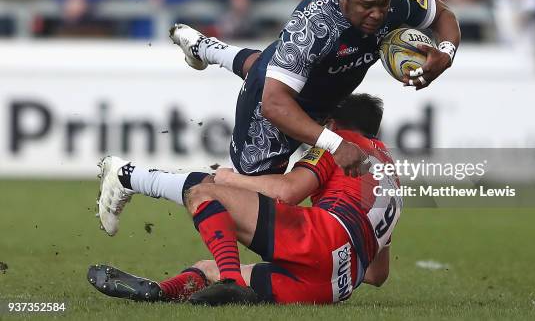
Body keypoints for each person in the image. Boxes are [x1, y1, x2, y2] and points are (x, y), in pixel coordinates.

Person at [97, 0, 459, 237]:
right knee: (250, 201)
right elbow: (273, 103)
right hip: (272, 111)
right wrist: (335, 144)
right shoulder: (313, 25)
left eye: (382, 4)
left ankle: (203, 48)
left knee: (271, 65)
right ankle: (128, 176)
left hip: (320, 95)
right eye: (367, 6)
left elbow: (444, 16)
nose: (378, 14)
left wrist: (445, 52)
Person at [89, 94, 402, 305]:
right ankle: (160, 292)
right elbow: (377, 275)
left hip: (323, 240)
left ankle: (128, 176)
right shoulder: (390, 177)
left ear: (332, 124)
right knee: (203, 269)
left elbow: (288, 191)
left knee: (205, 191)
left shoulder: (341, 144)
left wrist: (232, 179)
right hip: (334, 285)